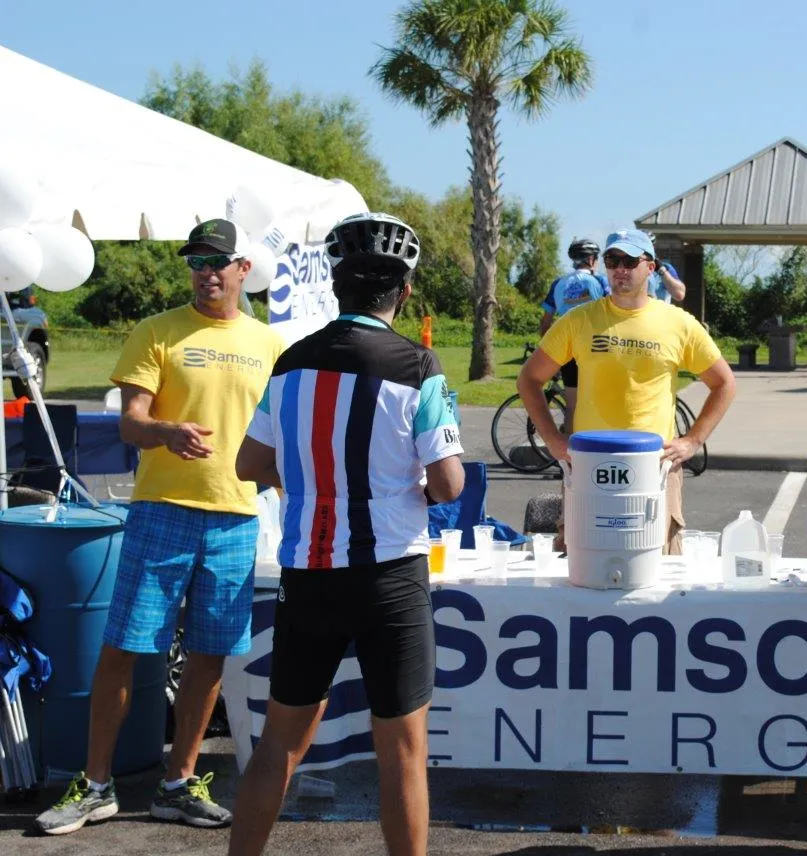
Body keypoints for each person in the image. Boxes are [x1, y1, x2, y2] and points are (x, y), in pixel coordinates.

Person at [35, 219, 283, 836]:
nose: (206, 272)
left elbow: (281, 435)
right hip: (161, 512)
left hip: (235, 518)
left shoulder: (271, 345)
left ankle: (178, 782)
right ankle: (95, 786)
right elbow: (130, 423)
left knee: (209, 656)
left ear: (242, 269)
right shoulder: (157, 331)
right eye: (196, 261)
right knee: (122, 648)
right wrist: (165, 433)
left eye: (218, 261)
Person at [228, 212, 464, 856]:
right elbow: (448, 485)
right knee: (403, 754)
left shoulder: (292, 361)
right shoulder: (417, 365)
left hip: (308, 573)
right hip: (388, 574)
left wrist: (305, 476)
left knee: (280, 742)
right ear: (404, 292)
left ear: (336, 286)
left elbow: (249, 465)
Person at [517, 228, 735, 554]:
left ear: (650, 267)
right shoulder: (579, 321)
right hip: (589, 465)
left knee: (658, 571)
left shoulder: (678, 323)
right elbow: (529, 379)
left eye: (630, 260)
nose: (620, 269)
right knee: (582, 568)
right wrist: (552, 439)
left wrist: (693, 440)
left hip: (655, 466)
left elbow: (724, 384)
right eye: (612, 260)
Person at [539, 237, 609, 432]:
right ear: (592, 260)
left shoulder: (558, 284)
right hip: (598, 347)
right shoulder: (599, 280)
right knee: (603, 401)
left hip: (567, 348)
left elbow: (546, 321)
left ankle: (570, 456)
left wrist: (547, 351)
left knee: (573, 406)